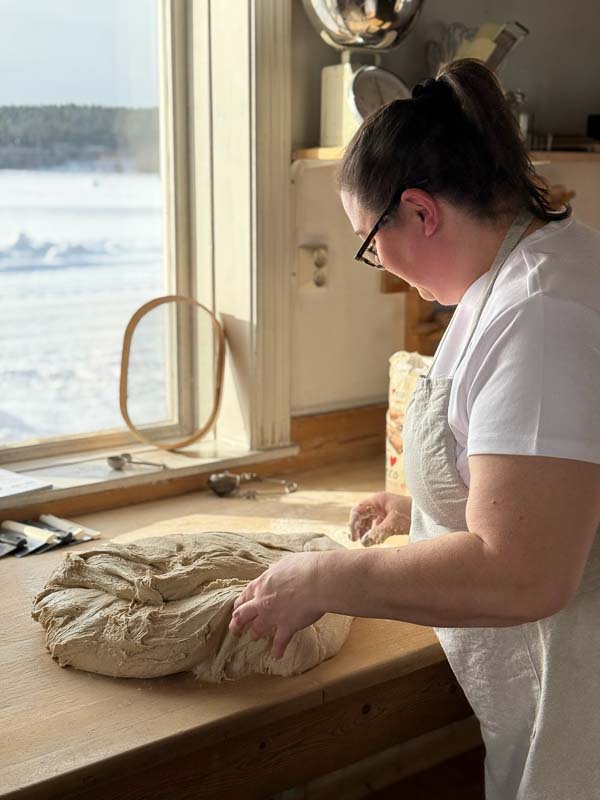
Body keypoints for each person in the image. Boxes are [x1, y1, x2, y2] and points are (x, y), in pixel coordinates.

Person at [228, 59, 600, 799]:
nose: (386, 267)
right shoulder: (538, 263)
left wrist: (328, 578)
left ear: (422, 212)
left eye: (371, 240)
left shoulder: (540, 314)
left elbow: (526, 571)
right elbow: (546, 478)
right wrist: (429, 509)